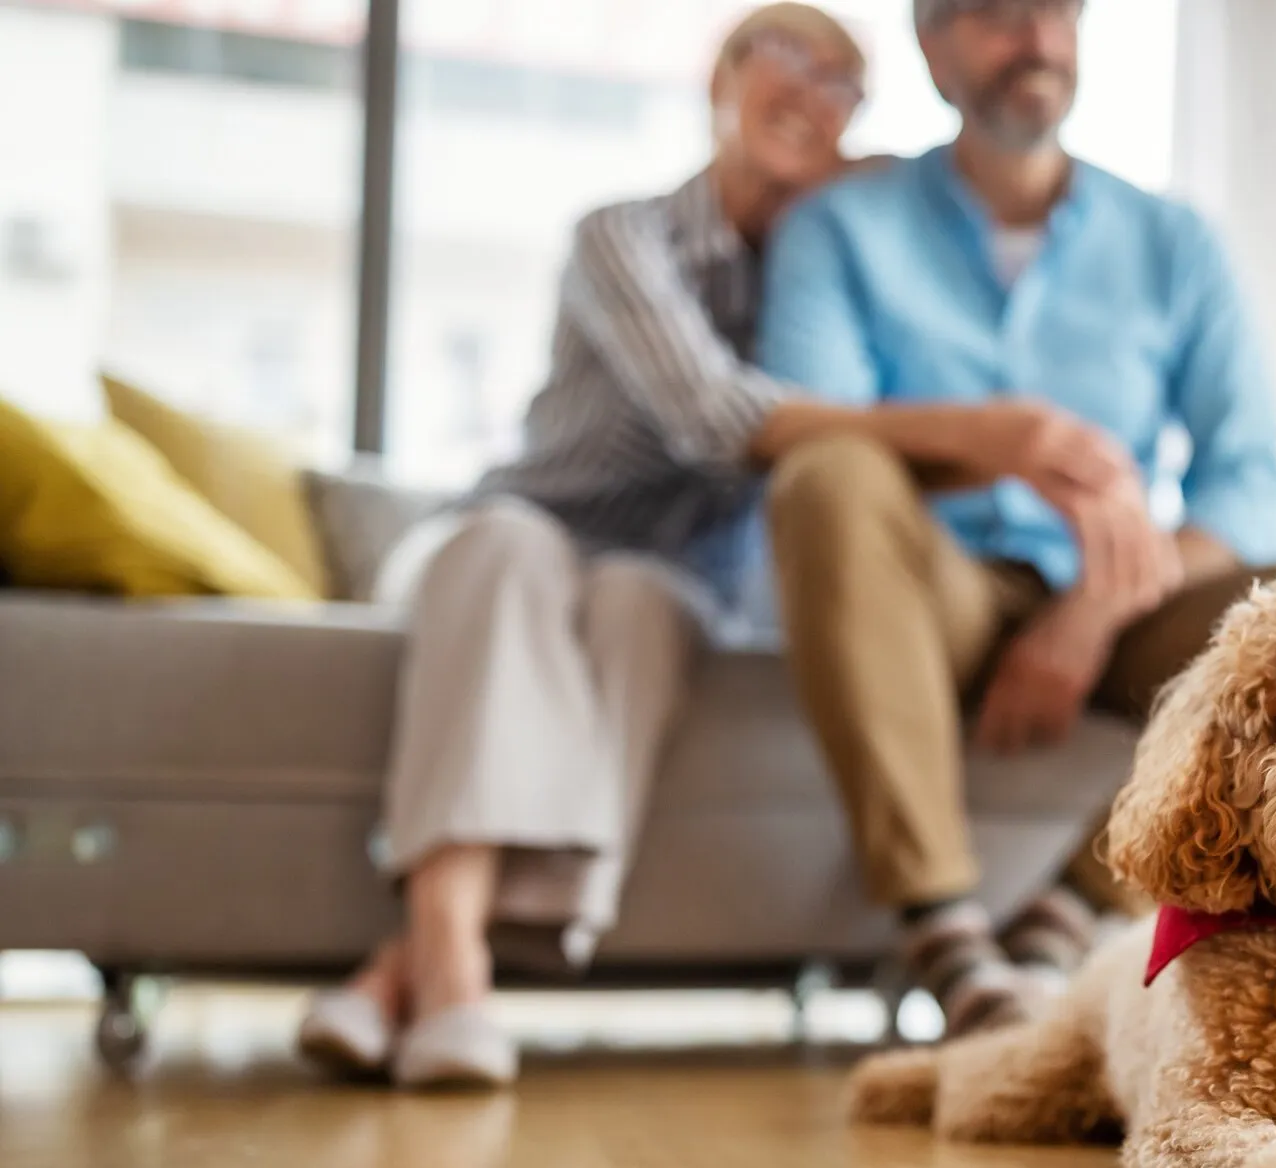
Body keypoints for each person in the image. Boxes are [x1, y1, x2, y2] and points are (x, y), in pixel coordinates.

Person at [297, 3, 1117, 1088]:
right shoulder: (623, 236)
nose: (813, 92)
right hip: (526, 529)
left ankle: (389, 977)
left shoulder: (828, 268)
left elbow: (856, 428)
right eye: (788, 58)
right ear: (721, 80)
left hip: (670, 574)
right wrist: (994, 434)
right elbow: (719, 417)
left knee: (644, 611)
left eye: (843, 83)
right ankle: (452, 969)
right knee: (505, 556)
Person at [756, 0, 1276, 1037]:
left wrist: (1095, 606)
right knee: (825, 473)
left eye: (1059, 12)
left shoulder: (1173, 241)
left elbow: (1255, 479)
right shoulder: (839, 228)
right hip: (932, 586)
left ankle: (1066, 923)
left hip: (1123, 587)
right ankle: (945, 935)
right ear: (933, 44)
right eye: (1000, 16)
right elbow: (807, 425)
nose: (1039, 42)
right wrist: (989, 438)